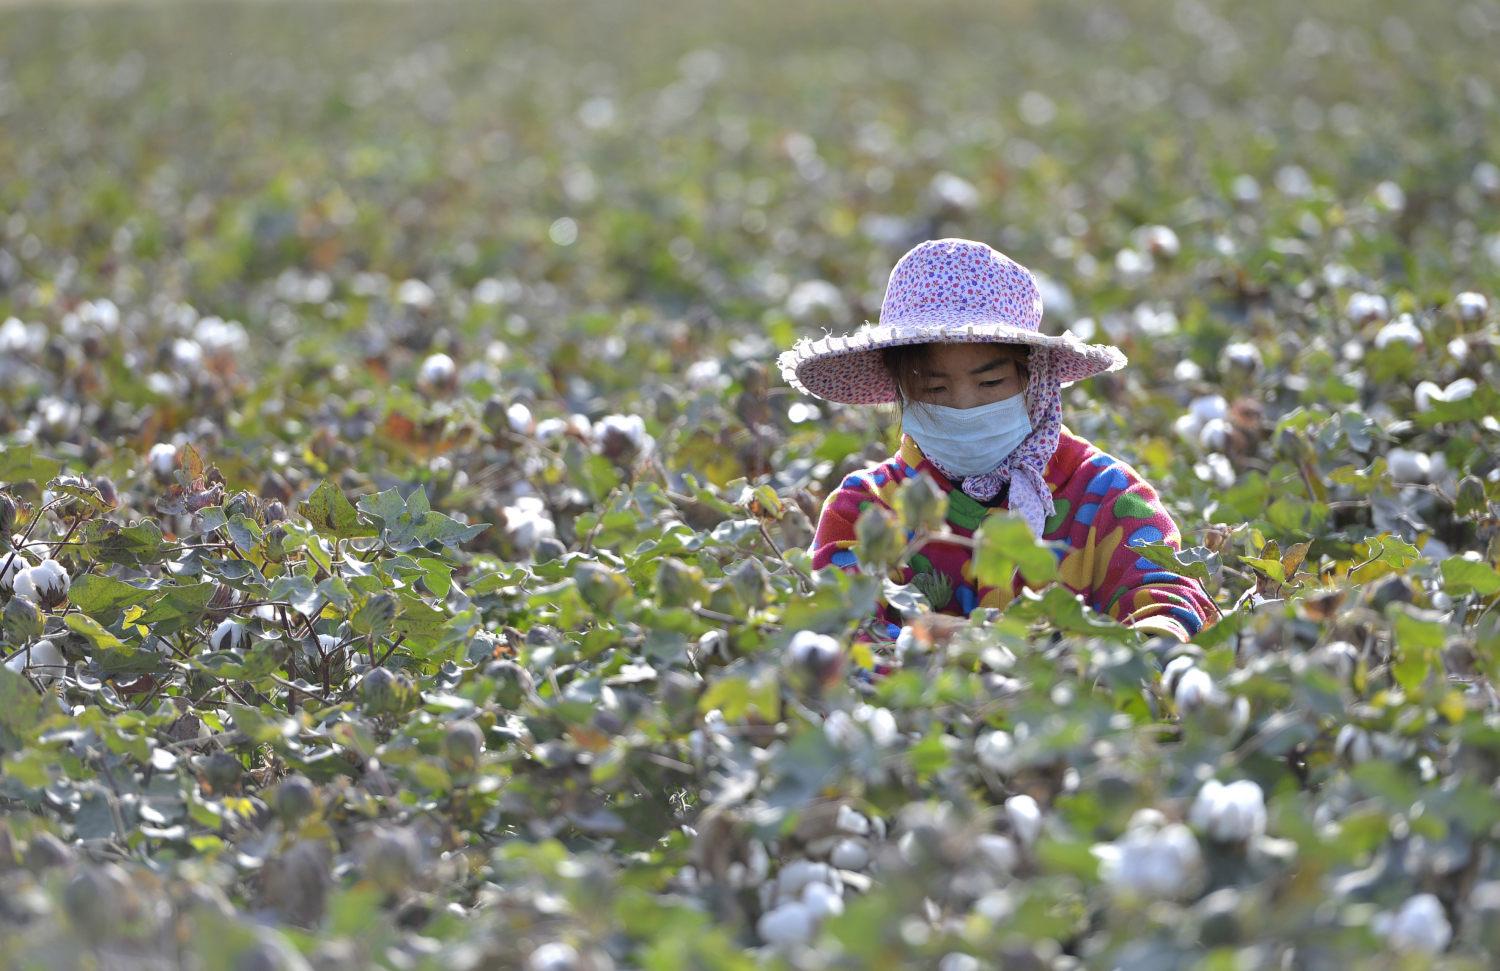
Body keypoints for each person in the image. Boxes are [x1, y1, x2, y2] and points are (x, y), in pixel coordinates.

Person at [776, 238, 1218, 677]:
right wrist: (944, 652)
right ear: (900, 392)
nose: (964, 406)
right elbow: (842, 633)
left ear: (1036, 377)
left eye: (990, 385)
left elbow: (1165, 594)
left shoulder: (1107, 496)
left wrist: (1143, 647)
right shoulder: (866, 512)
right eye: (934, 389)